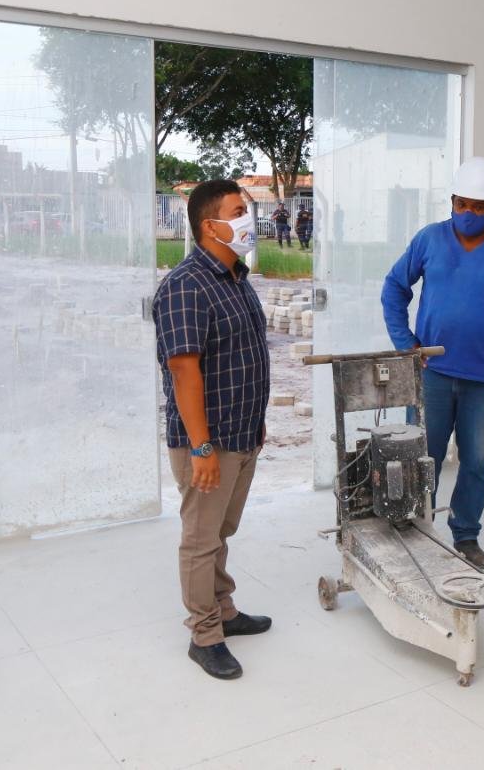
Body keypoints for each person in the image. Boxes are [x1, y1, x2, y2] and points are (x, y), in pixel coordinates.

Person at [380, 156, 484, 568]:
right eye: (462, 204)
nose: (469, 213)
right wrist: (407, 344)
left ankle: (466, 535)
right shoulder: (430, 240)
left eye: (479, 207)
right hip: (431, 375)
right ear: (452, 201)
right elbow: (394, 288)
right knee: (424, 456)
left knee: (476, 461)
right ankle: (418, 527)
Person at [152, 179, 272, 681]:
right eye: (239, 210)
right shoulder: (186, 285)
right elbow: (184, 372)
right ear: (211, 225)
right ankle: (204, 634)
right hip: (210, 442)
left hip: (242, 433)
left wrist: (257, 426)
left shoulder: (235, 277)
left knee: (222, 530)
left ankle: (223, 608)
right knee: (201, 539)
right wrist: (201, 447)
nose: (249, 219)